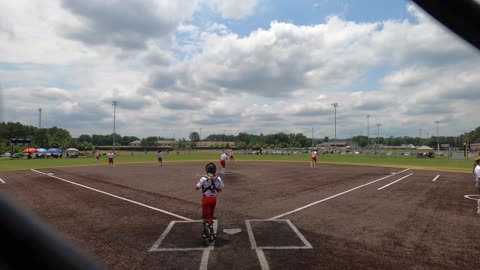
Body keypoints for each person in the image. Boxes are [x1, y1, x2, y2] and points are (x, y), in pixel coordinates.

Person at [195, 163, 224, 245]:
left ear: (207, 170)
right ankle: (205, 232)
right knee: (210, 215)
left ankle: (211, 237)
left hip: (206, 199)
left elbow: (196, 188)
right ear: (214, 170)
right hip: (213, 199)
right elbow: (221, 189)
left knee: (206, 217)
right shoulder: (218, 178)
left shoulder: (203, 178)